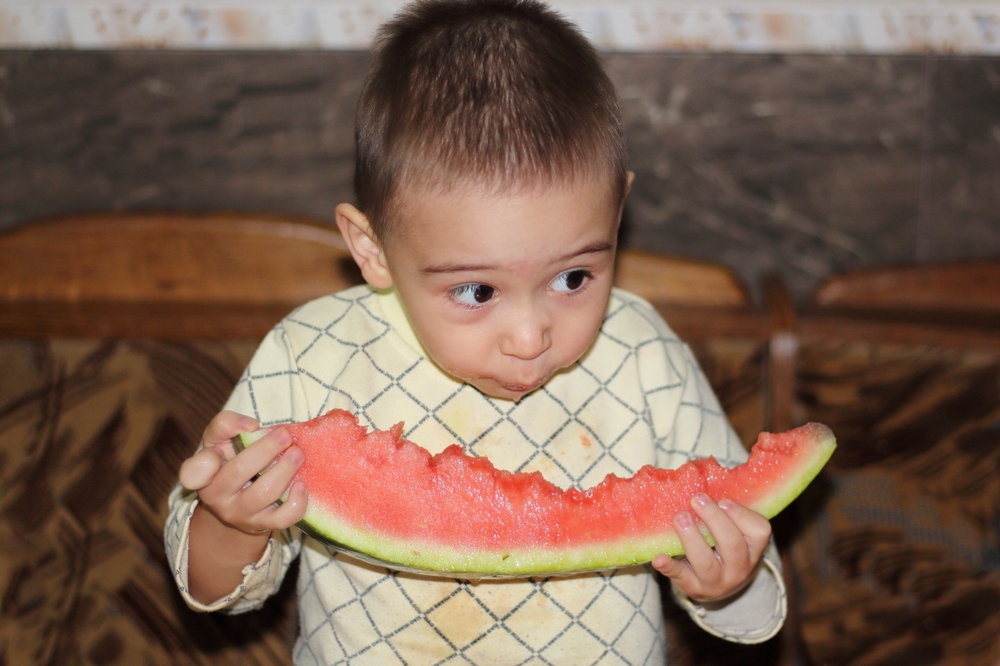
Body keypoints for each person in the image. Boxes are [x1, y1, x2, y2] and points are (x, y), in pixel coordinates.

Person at [165, 1, 786, 663]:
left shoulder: (642, 353)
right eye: (476, 291)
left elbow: (756, 593)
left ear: (618, 212)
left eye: (573, 278)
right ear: (372, 250)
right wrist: (231, 523)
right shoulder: (312, 354)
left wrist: (730, 584)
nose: (529, 335)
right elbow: (215, 592)